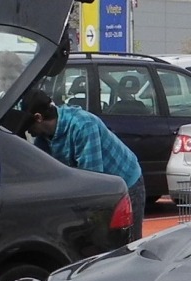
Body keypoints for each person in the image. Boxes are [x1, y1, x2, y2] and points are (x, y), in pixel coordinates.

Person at [23, 88, 144, 238]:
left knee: (125, 244)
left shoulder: (83, 125)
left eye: (28, 126)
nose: (28, 131)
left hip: (126, 183)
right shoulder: (43, 136)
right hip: (100, 184)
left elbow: (93, 180)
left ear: (38, 118)